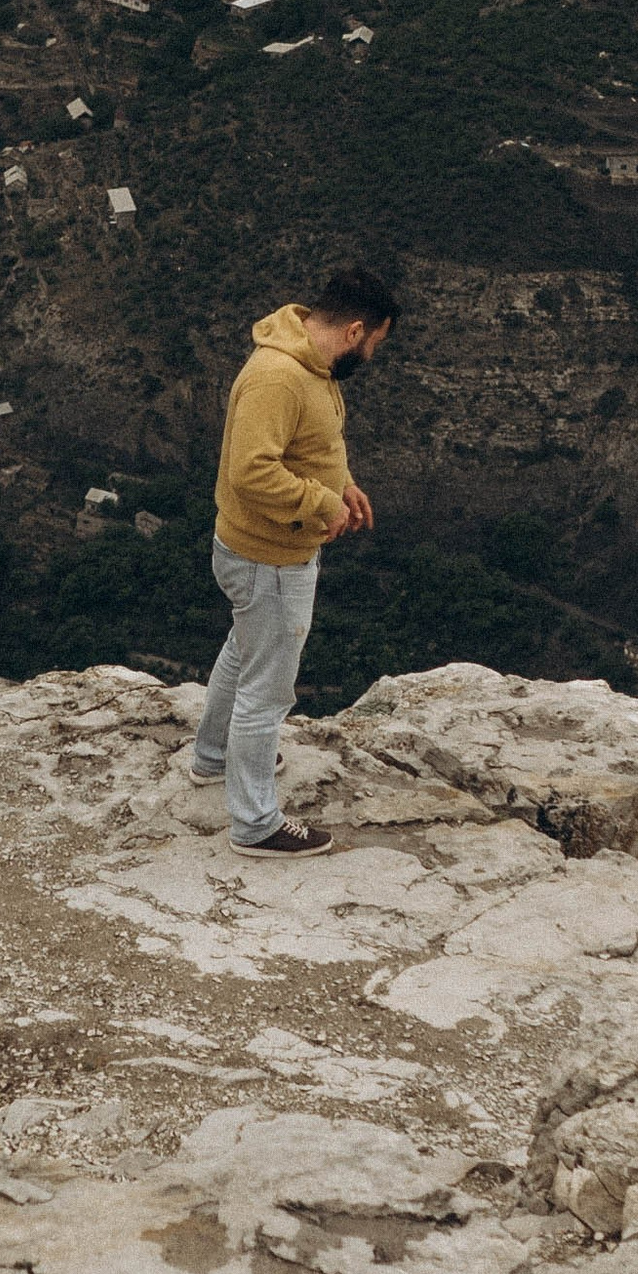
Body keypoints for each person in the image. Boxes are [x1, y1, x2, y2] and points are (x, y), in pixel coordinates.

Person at [191, 264, 397, 855]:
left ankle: (212, 756)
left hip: (261, 552)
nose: (374, 355)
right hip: (270, 557)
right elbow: (250, 469)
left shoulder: (310, 366)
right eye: (376, 343)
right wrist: (318, 502)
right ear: (356, 330)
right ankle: (255, 823)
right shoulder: (280, 377)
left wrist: (343, 484)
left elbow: (312, 444)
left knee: (245, 648)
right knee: (268, 689)